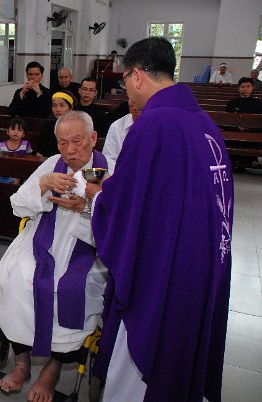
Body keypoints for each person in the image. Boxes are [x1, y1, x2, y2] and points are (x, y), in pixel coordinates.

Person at [86, 37, 233, 402]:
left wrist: (97, 196)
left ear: (137, 76)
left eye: (124, 80)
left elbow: (125, 204)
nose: (126, 89)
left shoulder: (152, 124)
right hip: (201, 259)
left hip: (164, 269)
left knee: (142, 367)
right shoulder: (203, 122)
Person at [0, 111, 108, 402]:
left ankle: (53, 368)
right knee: (18, 275)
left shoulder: (111, 171)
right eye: (62, 143)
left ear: (93, 138)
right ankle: (22, 363)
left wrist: (85, 206)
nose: (69, 150)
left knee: (71, 286)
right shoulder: (51, 165)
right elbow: (18, 205)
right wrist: (43, 184)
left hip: (87, 243)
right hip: (42, 235)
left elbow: (122, 220)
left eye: (77, 141)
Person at [0, 117, 33, 185]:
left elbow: (29, 157)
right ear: (7, 131)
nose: (16, 132)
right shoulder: (2, 145)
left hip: (18, 171)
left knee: (16, 182)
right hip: (3, 170)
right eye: (13, 129)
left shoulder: (26, 144)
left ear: (23, 134)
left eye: (19, 130)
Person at [102, 99, 140, 174]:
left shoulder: (157, 125)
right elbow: (109, 158)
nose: (135, 105)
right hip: (119, 175)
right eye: (132, 100)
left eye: (138, 100)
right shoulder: (116, 126)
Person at [36, 91, 76, 157]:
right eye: (54, 106)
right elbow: (39, 151)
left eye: (61, 105)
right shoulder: (47, 126)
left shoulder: (76, 127)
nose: (57, 109)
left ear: (70, 108)